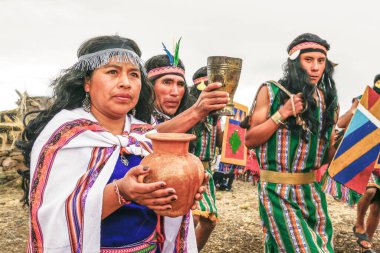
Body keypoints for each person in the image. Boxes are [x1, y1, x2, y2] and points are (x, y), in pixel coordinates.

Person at [20, 35, 207, 253]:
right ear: (87, 82)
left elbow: (163, 214)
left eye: (134, 74)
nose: (126, 83)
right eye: (112, 72)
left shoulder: (144, 137)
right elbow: (53, 220)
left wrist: (181, 192)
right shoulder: (67, 136)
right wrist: (122, 193)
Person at [245, 33, 339, 252]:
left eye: (321, 60)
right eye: (309, 60)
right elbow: (250, 140)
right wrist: (283, 112)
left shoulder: (328, 100)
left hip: (312, 192)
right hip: (277, 191)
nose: (316, 67)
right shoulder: (270, 91)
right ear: (295, 62)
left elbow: (325, 158)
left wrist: (341, 143)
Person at [144, 51, 229, 252]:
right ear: (148, 86)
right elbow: (146, 136)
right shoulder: (134, 118)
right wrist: (197, 111)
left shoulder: (189, 119)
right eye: (166, 82)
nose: (175, 91)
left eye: (180, 84)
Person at [337, 74, 380, 252]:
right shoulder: (363, 100)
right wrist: (358, 108)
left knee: (378, 206)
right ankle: (358, 222)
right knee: (369, 190)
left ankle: (366, 243)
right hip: (364, 153)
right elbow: (341, 123)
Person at [189, 66, 223, 251]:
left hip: (206, 170)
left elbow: (221, 142)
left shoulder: (215, 116)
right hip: (189, 169)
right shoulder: (188, 111)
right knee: (192, 218)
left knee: (209, 222)